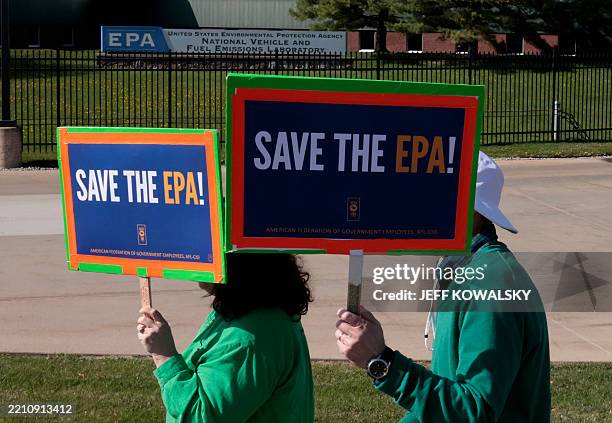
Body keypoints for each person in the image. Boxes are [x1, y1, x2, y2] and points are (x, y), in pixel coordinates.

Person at [335, 152, 551, 422]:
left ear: (469, 209)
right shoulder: (464, 272)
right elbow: (449, 397)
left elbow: (474, 412)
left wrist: (382, 362)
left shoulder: (491, 286)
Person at [137, 253, 314, 423]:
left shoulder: (247, 338)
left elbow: (199, 417)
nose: (196, 255)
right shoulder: (257, 312)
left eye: (207, 246)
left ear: (233, 261)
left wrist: (164, 355)